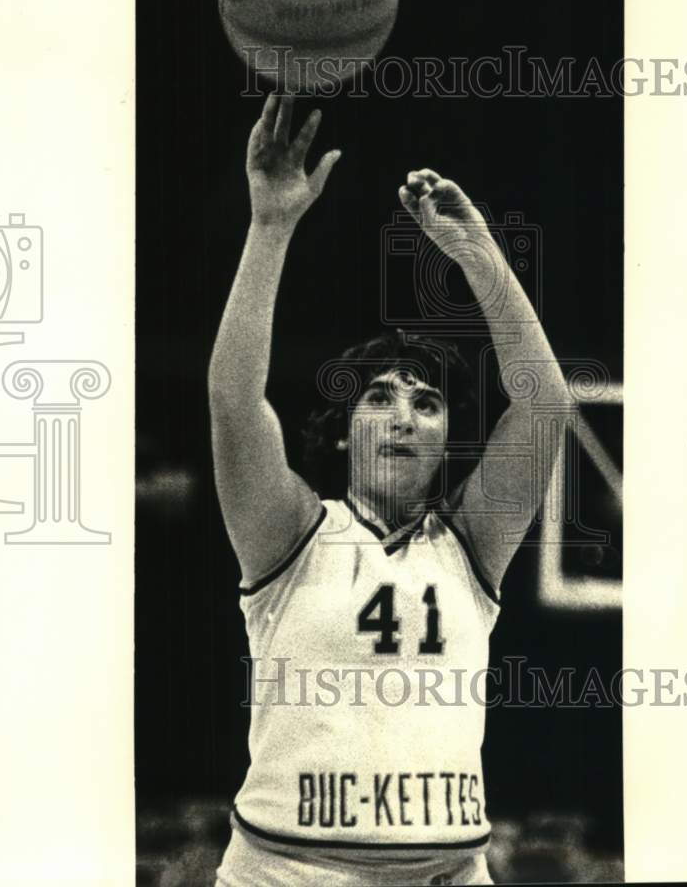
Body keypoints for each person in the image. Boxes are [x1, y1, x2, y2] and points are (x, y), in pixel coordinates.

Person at [208, 94, 570, 886]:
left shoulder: (472, 545)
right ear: (342, 430)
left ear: (446, 444)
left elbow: (546, 403)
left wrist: (478, 254)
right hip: (289, 872)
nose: (404, 414)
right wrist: (270, 227)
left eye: (427, 402)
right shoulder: (289, 533)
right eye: (379, 396)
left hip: (452, 870)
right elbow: (236, 403)